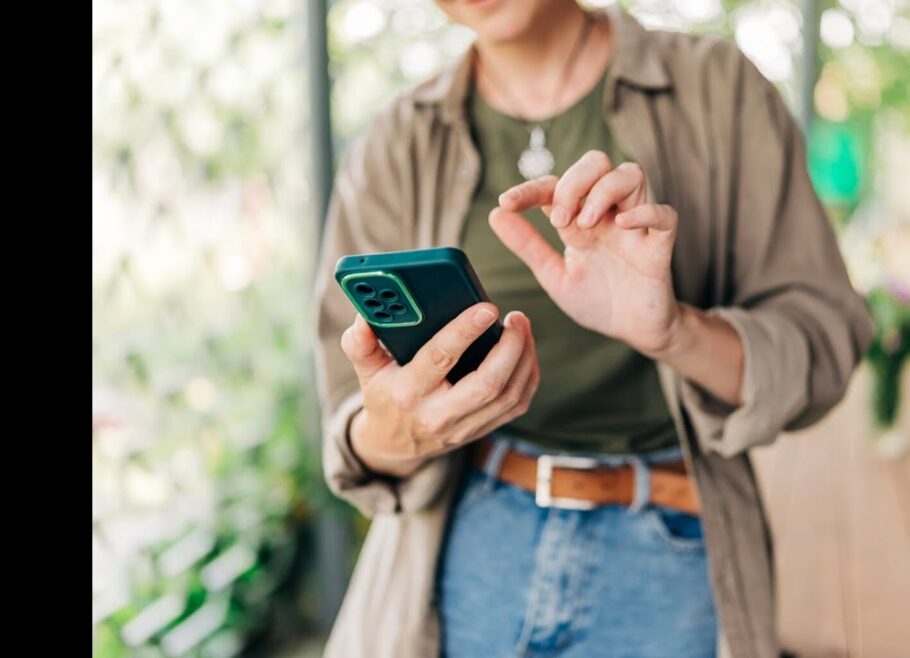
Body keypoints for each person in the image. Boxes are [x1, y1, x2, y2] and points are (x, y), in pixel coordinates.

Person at [313, 1, 874, 656]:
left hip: (672, 550)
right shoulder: (397, 138)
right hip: (465, 542)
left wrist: (674, 332)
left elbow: (825, 337)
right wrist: (391, 431)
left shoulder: (719, 88)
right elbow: (348, 415)